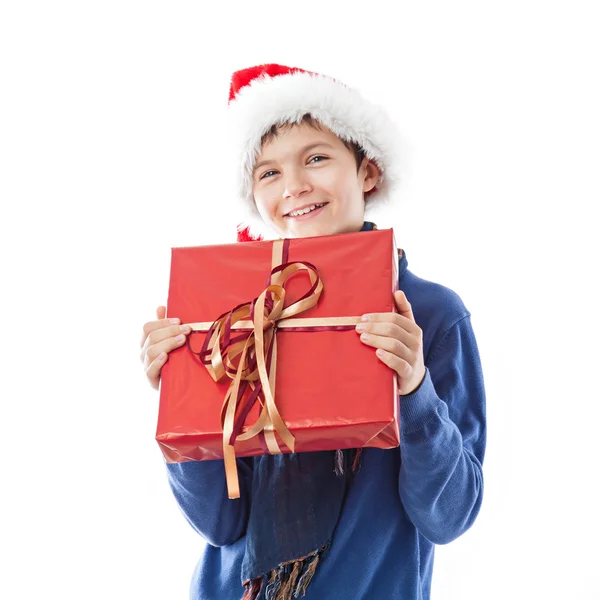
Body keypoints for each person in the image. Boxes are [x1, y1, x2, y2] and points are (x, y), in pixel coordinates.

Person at [139, 63, 486, 600]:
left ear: (368, 171)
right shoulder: (233, 314)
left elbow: (449, 516)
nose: (295, 186)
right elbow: (220, 525)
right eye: (268, 173)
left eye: (317, 158)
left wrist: (415, 389)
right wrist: (182, 400)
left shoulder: (430, 314)